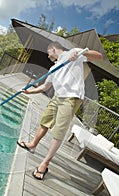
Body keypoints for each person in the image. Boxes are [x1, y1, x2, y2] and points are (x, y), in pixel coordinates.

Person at [17, 42, 103, 180]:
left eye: (48, 52)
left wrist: (82, 53)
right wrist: (30, 91)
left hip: (71, 98)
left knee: (58, 132)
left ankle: (45, 164)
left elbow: (98, 56)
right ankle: (33, 145)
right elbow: (45, 86)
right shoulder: (54, 67)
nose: (48, 55)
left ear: (52, 48)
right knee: (44, 122)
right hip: (57, 97)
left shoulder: (72, 53)